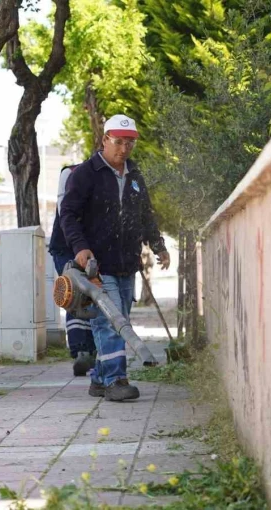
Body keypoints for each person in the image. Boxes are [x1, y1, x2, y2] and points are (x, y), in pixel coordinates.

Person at [60, 114, 171, 402]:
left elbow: (145, 215)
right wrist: (80, 248)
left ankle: (98, 378)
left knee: (120, 320)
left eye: (129, 143)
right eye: (118, 142)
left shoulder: (134, 176)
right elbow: (68, 215)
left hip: (126, 263)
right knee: (110, 323)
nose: (124, 149)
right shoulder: (85, 174)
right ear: (105, 140)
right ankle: (116, 380)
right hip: (97, 264)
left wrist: (158, 246)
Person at [49, 164, 96, 377]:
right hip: (67, 247)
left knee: (92, 296)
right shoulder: (70, 173)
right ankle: (81, 351)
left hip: (90, 248)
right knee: (75, 296)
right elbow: (64, 211)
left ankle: (89, 351)